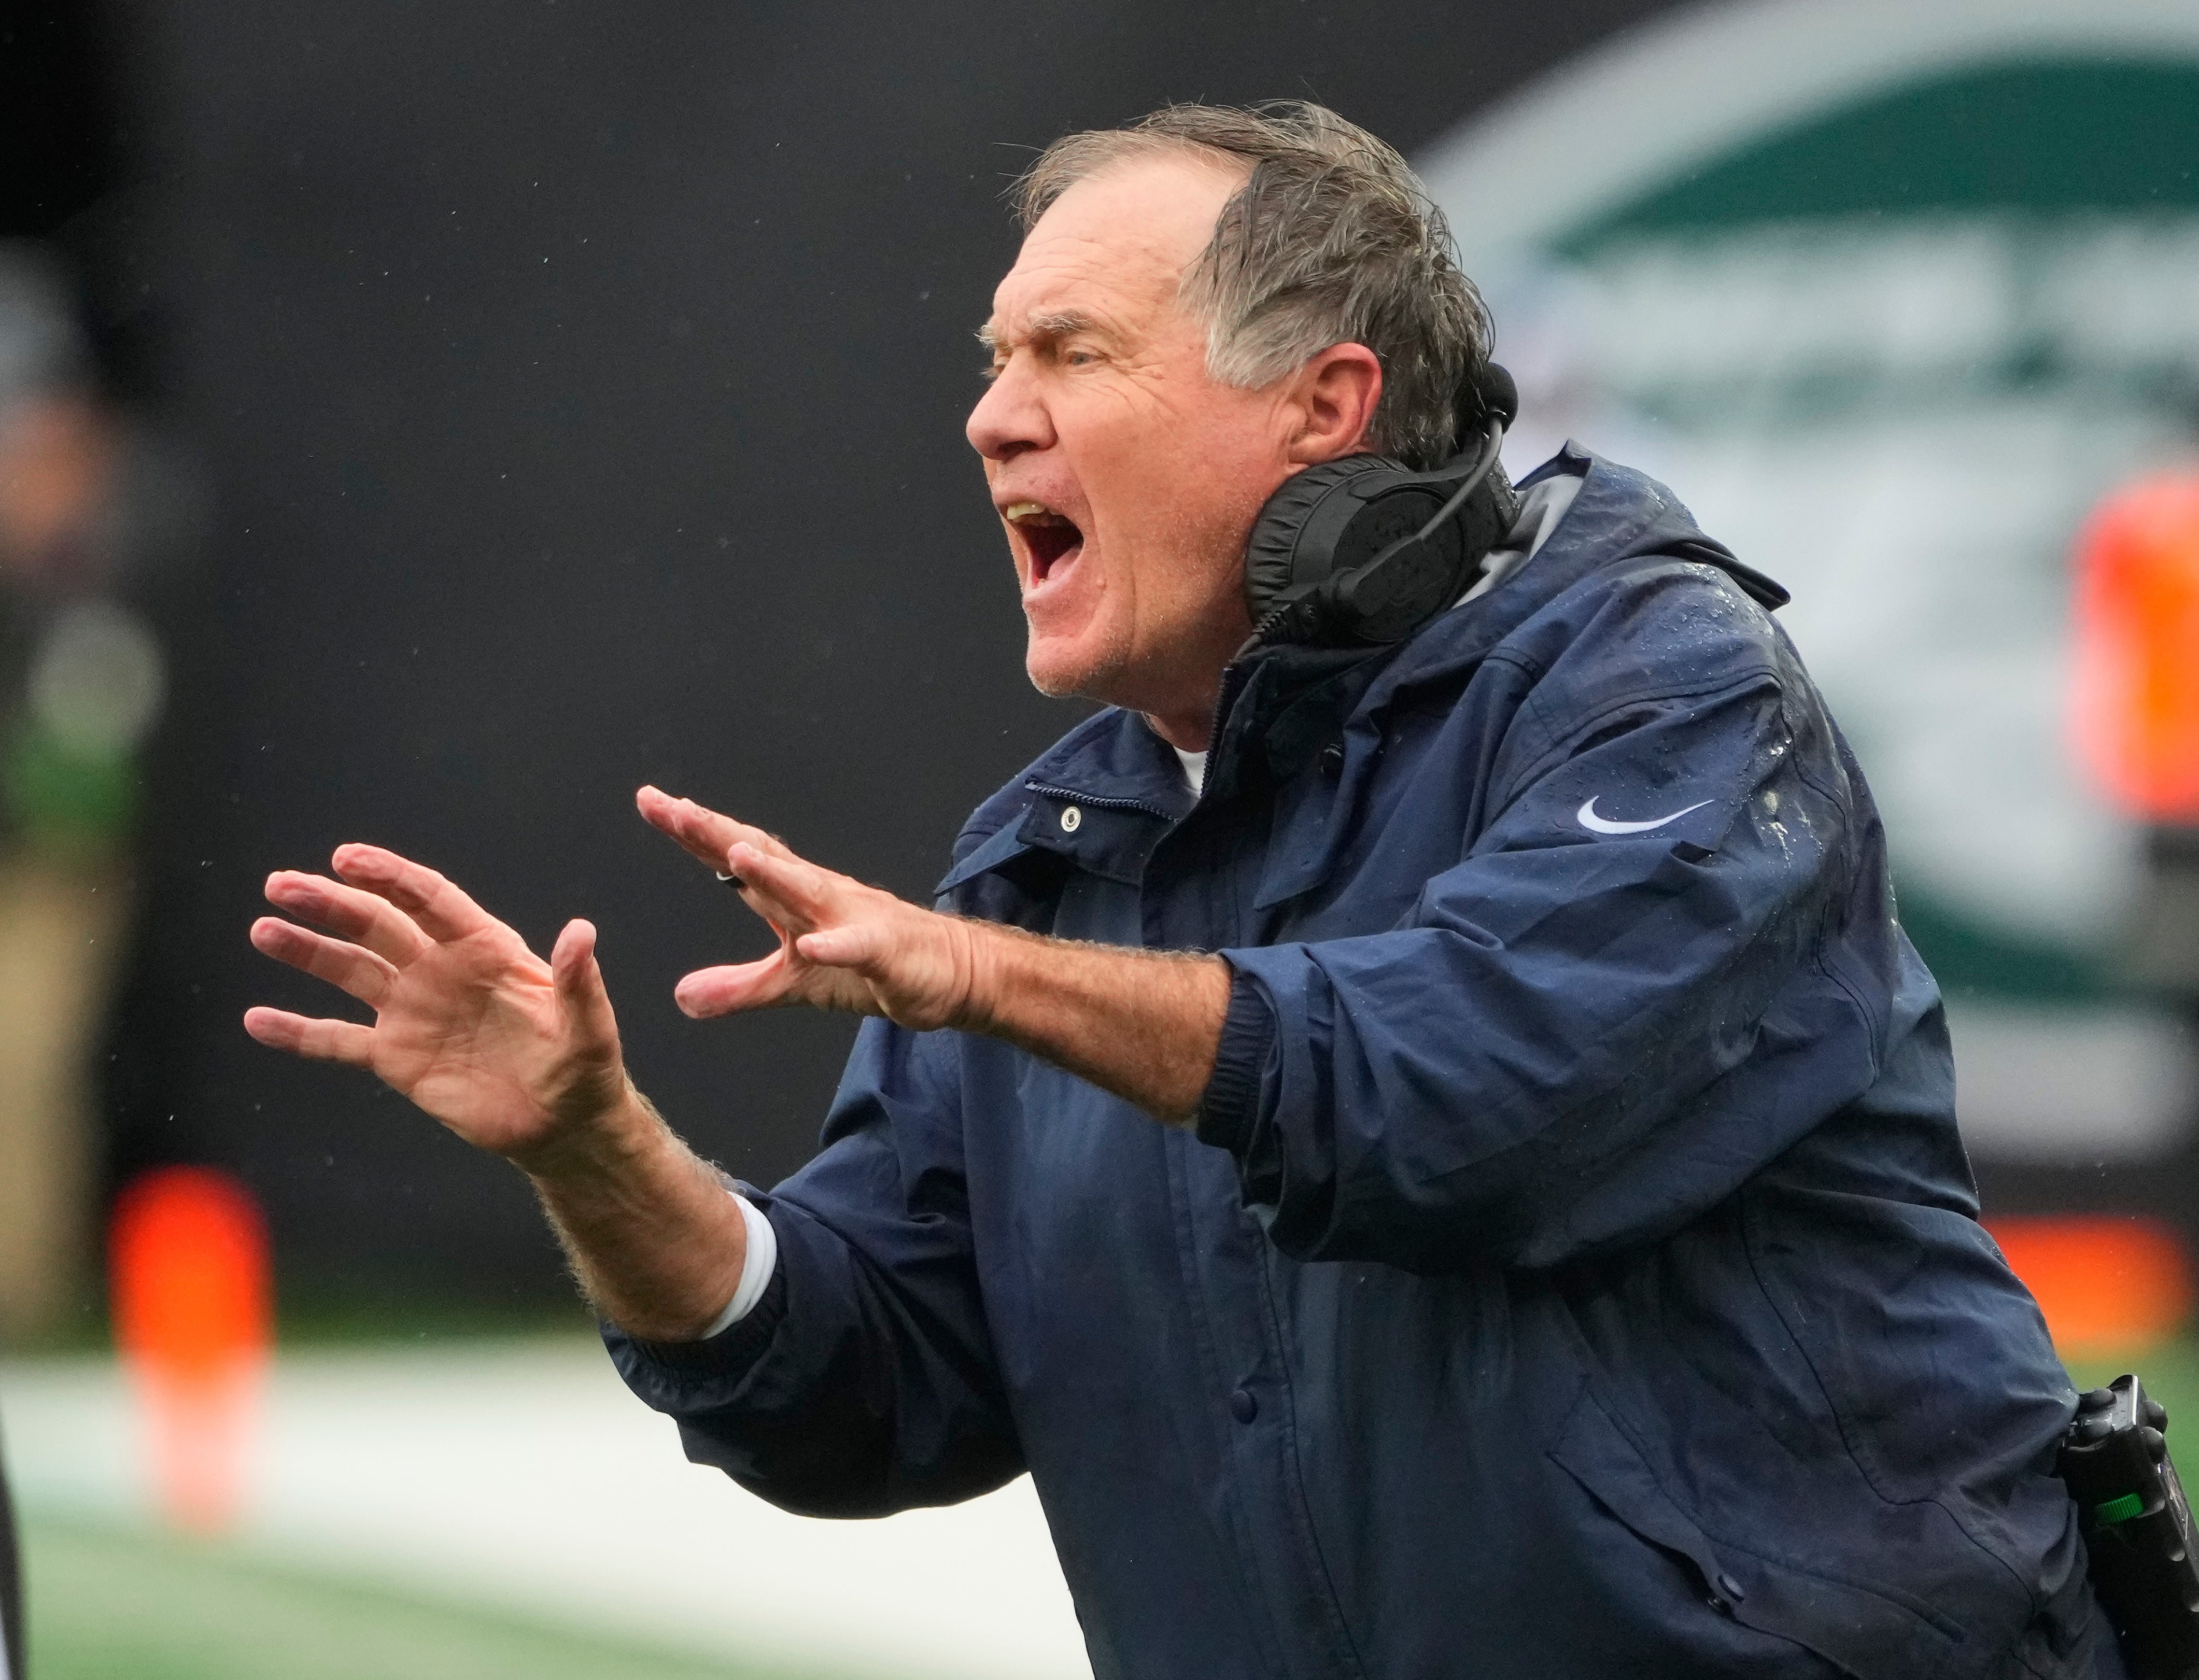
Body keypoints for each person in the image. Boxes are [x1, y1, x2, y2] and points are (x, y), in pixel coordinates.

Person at [244, 103, 2119, 1678]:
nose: (991, 416)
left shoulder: (1661, 686)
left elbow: (1456, 1088)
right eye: (991, 356)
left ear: (1325, 406)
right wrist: (593, 1147)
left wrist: (983, 980)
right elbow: (855, 1380)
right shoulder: (1050, 863)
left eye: (1071, 352)